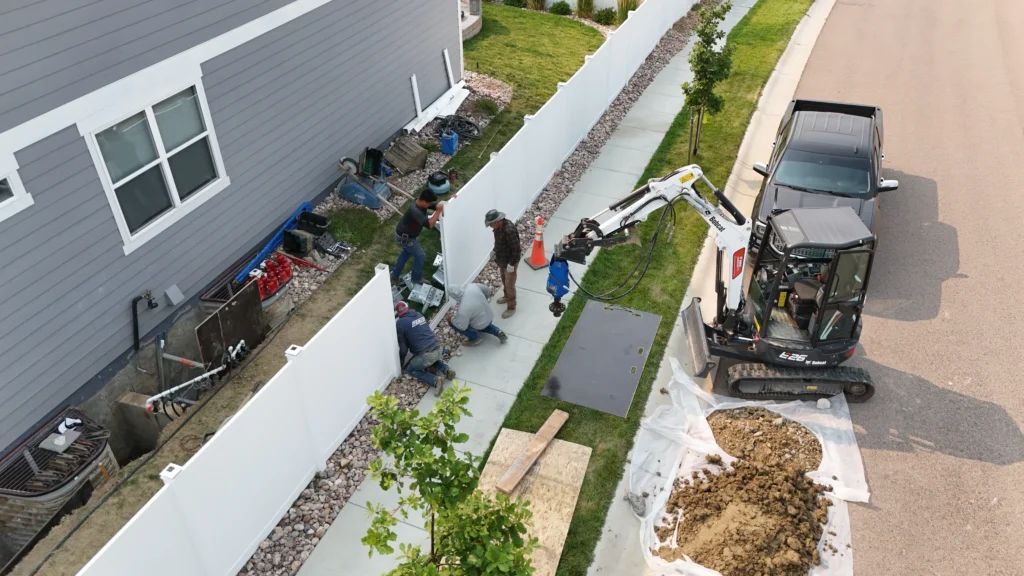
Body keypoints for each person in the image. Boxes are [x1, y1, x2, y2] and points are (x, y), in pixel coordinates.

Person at [395, 301, 455, 396]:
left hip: (427, 355)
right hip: (439, 347)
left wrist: (400, 363)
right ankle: (447, 370)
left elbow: (403, 348)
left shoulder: (400, 323)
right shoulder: (418, 314)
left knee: (411, 369)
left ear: (398, 313)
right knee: (431, 360)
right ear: (408, 307)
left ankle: (435, 380)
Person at [392, 189, 447, 286]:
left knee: (406, 254)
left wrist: (442, 204)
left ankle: (395, 275)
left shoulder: (419, 202)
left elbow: (433, 205)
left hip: (404, 234)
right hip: (405, 238)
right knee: (420, 256)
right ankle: (416, 278)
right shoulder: (415, 211)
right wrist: (438, 211)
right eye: (428, 203)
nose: (430, 205)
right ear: (423, 201)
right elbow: (430, 225)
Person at [484, 209, 521, 319]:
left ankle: (511, 307)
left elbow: (516, 249)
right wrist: (495, 250)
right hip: (502, 259)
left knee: (510, 285)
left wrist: (512, 264)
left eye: (491, 224)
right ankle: (506, 296)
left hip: (510, 261)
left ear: (497, 221)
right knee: (504, 279)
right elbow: (499, 242)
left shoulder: (509, 230)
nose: (490, 226)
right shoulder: (498, 228)